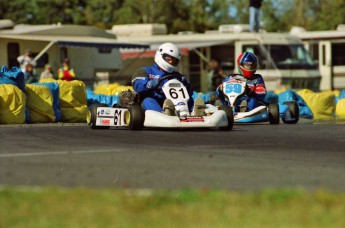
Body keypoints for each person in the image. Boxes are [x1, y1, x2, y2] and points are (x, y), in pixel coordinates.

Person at [131, 42, 205, 116]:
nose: (171, 62)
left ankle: (195, 112)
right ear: (160, 55)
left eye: (174, 61)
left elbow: (189, 93)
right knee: (148, 101)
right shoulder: (146, 71)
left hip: (176, 103)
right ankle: (165, 114)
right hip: (156, 100)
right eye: (169, 59)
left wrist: (186, 85)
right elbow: (137, 84)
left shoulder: (177, 76)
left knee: (190, 100)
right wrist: (148, 85)